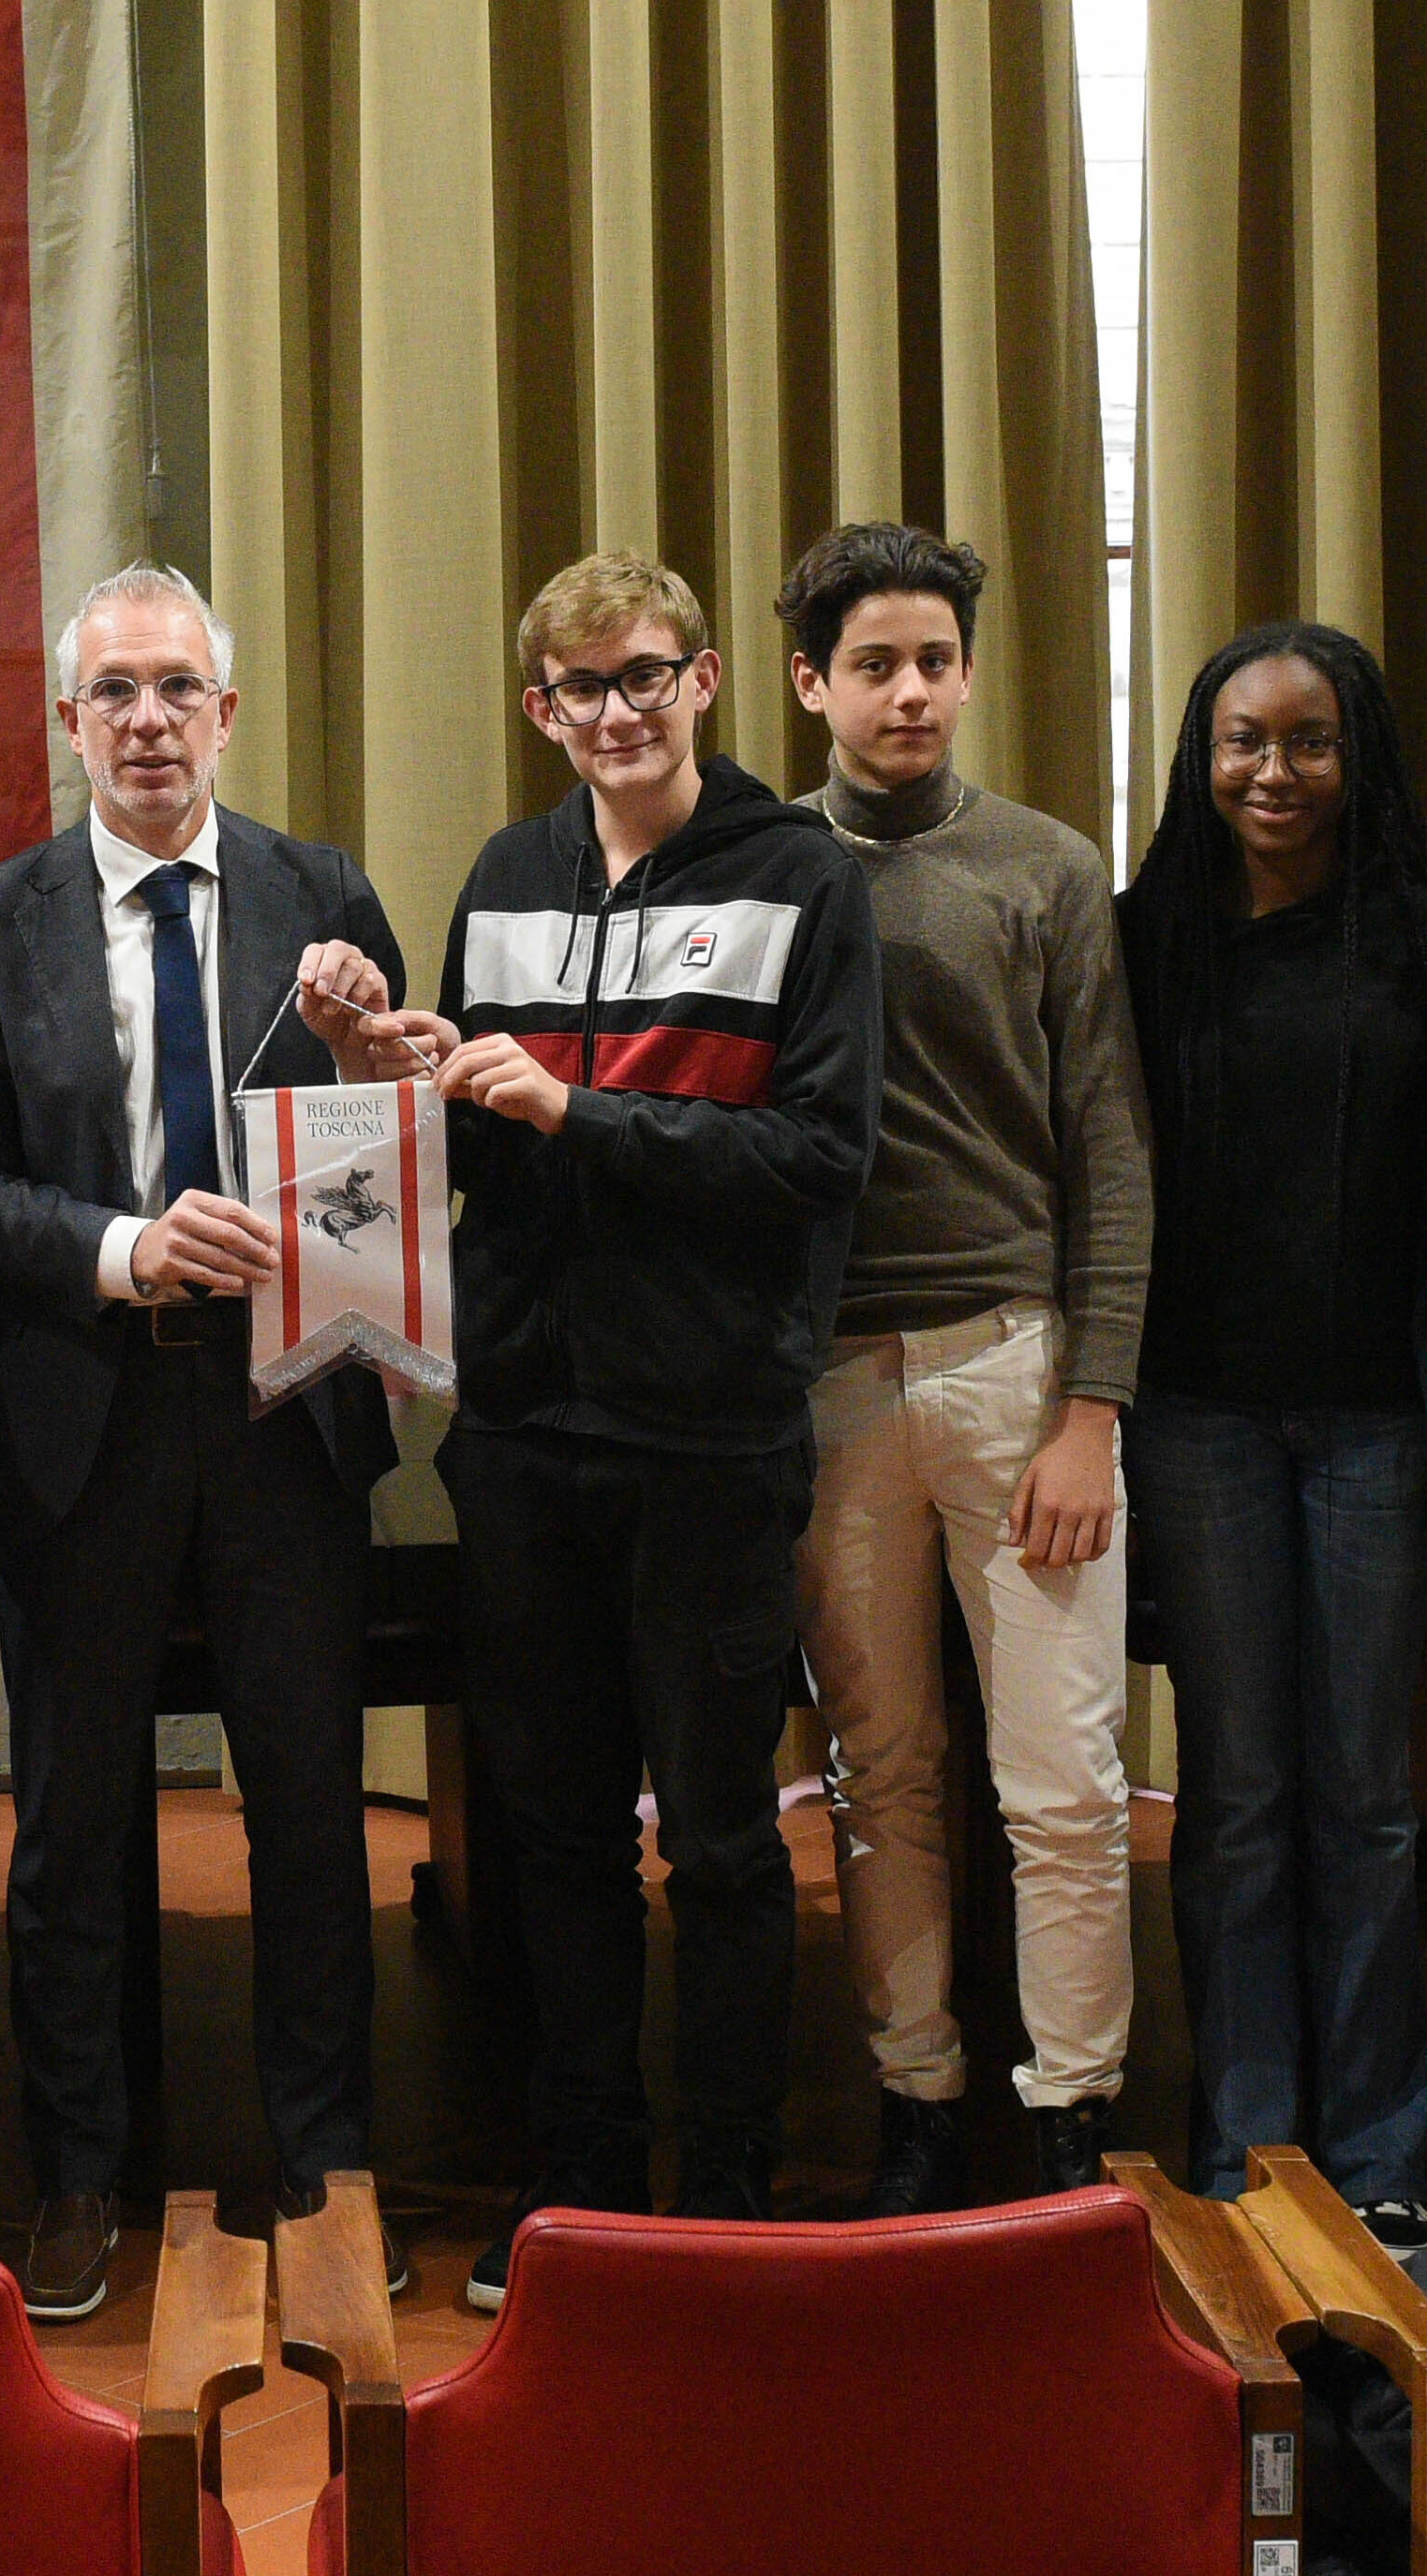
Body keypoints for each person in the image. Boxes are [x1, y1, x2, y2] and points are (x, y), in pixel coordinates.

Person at [349, 550, 881, 2302]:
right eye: (583, 689)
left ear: (706, 680)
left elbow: (818, 1158)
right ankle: (577, 2182)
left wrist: (575, 1112)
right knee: (555, 1834)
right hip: (523, 1427)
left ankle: (720, 2198)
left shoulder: (803, 877)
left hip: (711, 1434)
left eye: (648, 675)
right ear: (543, 711)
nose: (619, 711)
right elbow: (475, 1144)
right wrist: (403, 1072)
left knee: (721, 1839)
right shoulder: (508, 875)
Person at [0, 570, 413, 2317]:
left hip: (290, 1411)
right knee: (70, 1827)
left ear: (227, 712)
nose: (147, 720)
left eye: (177, 689)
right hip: (86, 1411)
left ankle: (325, 2160)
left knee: (308, 1807)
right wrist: (128, 1249)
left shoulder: (323, 895)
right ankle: (77, 2173)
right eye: (114, 691)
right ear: (71, 722)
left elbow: (384, 1152)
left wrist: (370, 1054)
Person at [773, 524, 1151, 2214]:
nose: (909, 691)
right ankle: (916, 2094)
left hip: (1019, 1369)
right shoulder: (763, 868)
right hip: (832, 1382)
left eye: (934, 660)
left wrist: (1094, 1409)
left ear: (969, 671)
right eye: (874, 664)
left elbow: (1110, 1148)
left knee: (1065, 1783)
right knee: (885, 1773)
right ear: (812, 684)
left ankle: (1072, 2110)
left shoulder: (1048, 868)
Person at [1110, 623, 1427, 2223]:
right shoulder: (1142, 934)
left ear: (1361, 754)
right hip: (1196, 1417)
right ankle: (1247, 2149)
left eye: (1310, 741)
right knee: (1240, 1796)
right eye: (1243, 741)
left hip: (1375, 1425)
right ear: (1200, 756)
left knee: (1368, 1799)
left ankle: (1382, 2162)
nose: (1275, 772)